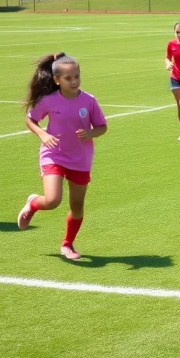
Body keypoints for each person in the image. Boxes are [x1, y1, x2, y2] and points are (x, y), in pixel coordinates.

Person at [17, 53, 107, 260]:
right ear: (57, 80)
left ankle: (67, 244)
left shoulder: (89, 101)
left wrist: (91, 133)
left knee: (77, 206)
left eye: (76, 76)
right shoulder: (48, 101)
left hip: (81, 158)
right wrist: (43, 134)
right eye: (68, 78)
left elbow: (102, 127)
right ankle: (33, 204)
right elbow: (31, 120)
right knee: (52, 200)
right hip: (54, 154)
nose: (74, 81)